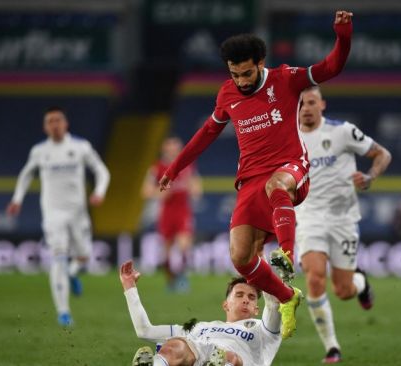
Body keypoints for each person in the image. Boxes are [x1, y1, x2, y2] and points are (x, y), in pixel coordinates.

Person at [158, 10, 355, 339]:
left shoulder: (286, 78)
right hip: (250, 179)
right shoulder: (227, 94)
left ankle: (286, 258)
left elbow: (332, 66)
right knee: (241, 258)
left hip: (291, 167)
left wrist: (343, 34)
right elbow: (207, 132)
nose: (241, 81)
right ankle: (287, 296)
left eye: (247, 73)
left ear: (261, 63)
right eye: (235, 74)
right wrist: (175, 167)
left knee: (276, 185)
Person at [295, 86, 392, 363]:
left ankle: (360, 284)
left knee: (343, 290)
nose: (306, 108)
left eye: (311, 102)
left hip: (343, 219)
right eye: (301, 103)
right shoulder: (289, 137)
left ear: (322, 105)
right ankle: (332, 348)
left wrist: (370, 176)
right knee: (314, 278)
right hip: (309, 216)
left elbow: (382, 154)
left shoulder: (343, 131)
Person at [7, 106, 110, 326]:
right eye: (50, 121)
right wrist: (17, 199)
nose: (55, 124)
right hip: (53, 214)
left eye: (58, 120)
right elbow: (26, 174)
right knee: (59, 257)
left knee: (84, 255)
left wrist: (99, 193)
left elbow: (102, 171)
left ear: (66, 124)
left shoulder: (81, 147)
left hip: (78, 212)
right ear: (45, 127)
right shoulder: (39, 151)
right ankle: (63, 312)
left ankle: (73, 274)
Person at [120, 260, 282, 366]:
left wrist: (264, 270)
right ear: (225, 305)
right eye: (239, 295)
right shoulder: (200, 328)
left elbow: (274, 304)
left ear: (256, 309)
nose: (246, 300)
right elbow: (145, 330)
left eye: (251, 297)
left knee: (230, 357)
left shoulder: (263, 329)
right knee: (174, 346)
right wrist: (129, 287)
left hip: (233, 361)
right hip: (202, 358)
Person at [142, 137, 202, 292]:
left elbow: (196, 186)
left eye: (176, 148)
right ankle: (170, 280)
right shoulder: (157, 168)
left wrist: (194, 190)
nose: (174, 151)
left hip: (183, 211)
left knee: (184, 245)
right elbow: (146, 191)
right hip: (166, 212)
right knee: (167, 249)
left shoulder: (188, 166)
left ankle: (182, 278)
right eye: (171, 148)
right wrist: (159, 193)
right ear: (165, 150)